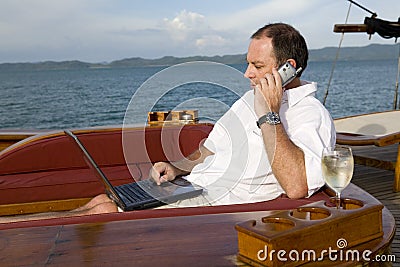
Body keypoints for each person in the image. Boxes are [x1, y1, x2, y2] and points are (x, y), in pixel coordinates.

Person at [0, 23, 335, 223]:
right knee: (103, 200)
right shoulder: (249, 99)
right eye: (248, 64)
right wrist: (177, 168)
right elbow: (209, 149)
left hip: (219, 209)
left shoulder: (310, 115)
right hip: (193, 188)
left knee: (102, 212)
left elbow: (296, 187)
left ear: (289, 67)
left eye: (258, 66)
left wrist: (270, 114)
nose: (247, 73)